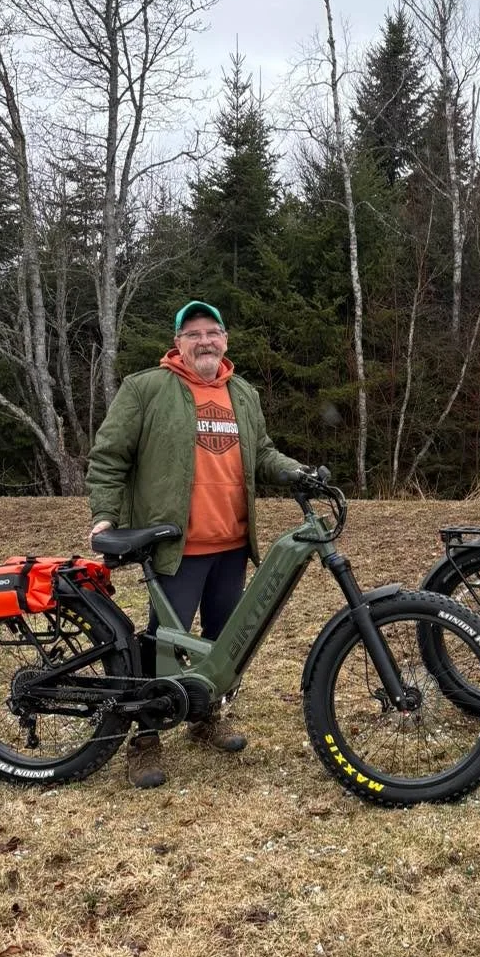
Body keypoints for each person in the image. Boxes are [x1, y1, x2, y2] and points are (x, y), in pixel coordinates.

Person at [87, 300, 305, 788]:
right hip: (176, 549)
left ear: (225, 339)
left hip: (232, 546)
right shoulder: (145, 388)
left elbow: (263, 452)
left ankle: (206, 717)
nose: (204, 340)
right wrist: (104, 516)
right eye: (194, 333)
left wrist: (295, 472)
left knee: (224, 644)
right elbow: (109, 456)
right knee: (162, 645)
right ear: (178, 343)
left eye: (213, 332)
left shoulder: (243, 394)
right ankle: (144, 739)